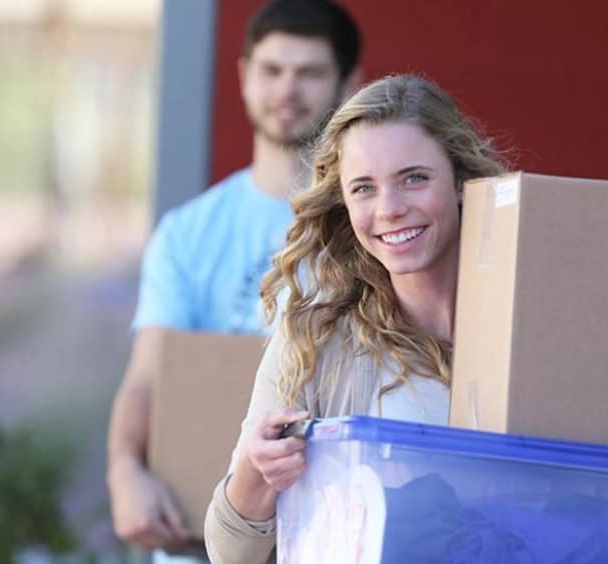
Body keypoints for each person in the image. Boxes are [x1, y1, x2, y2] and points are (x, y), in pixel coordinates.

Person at [203, 74, 506, 563]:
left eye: (414, 178)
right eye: (364, 188)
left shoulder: (527, 324)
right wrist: (256, 473)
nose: (389, 209)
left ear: (460, 180)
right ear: (343, 202)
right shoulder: (317, 335)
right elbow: (228, 551)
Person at [106, 1, 361, 561]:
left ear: (349, 83)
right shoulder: (188, 232)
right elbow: (148, 376)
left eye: (310, 73)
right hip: (197, 540)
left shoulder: (372, 226)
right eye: (272, 70)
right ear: (244, 76)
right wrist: (125, 472)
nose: (287, 90)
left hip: (328, 537)